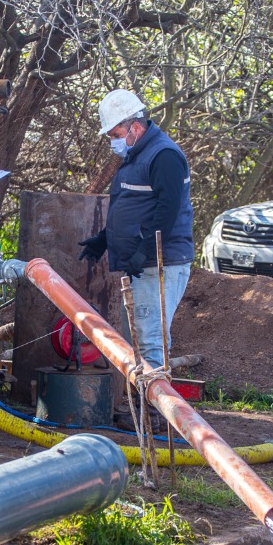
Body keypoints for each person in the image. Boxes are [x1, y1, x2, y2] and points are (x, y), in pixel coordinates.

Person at [78, 88, 194, 371]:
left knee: (150, 340)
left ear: (136, 127)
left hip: (158, 262)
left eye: (116, 136)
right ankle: (147, 408)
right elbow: (135, 207)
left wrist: (145, 249)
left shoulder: (164, 155)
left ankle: (158, 412)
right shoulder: (138, 155)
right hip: (143, 262)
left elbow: (168, 210)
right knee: (139, 337)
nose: (114, 143)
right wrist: (106, 238)